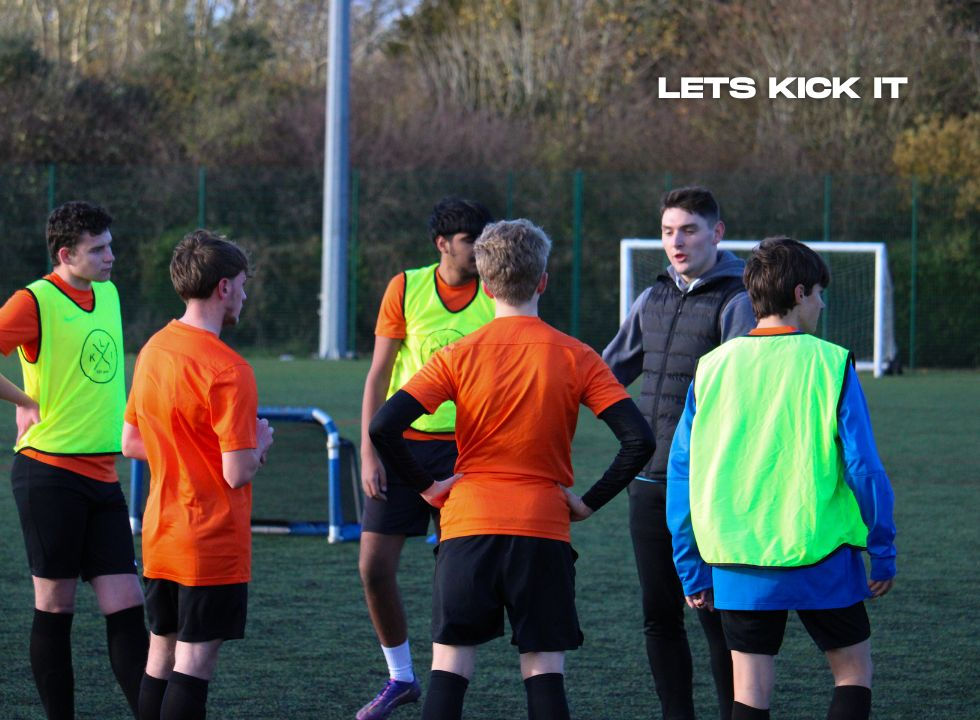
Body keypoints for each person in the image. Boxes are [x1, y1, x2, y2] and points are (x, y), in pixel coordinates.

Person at [369, 219, 656, 720]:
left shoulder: (457, 354)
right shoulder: (577, 355)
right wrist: (587, 502)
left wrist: (430, 488)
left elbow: (383, 426)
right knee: (544, 672)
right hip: (542, 529)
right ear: (543, 280)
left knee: (450, 670)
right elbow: (639, 440)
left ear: (483, 280)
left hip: (467, 528)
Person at [667, 237, 897, 720]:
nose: (822, 302)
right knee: (853, 672)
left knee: (749, 692)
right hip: (823, 553)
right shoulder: (831, 362)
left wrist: (691, 563)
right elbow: (863, 467)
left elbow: (681, 472)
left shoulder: (710, 368)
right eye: (817, 292)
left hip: (738, 559)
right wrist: (882, 546)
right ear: (798, 293)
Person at [602, 186, 755, 720]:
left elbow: (744, 398)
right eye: (668, 231)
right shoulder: (652, 297)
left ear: (717, 232)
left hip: (709, 489)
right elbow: (607, 373)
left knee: (717, 617)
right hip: (648, 483)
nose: (676, 242)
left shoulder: (740, 300)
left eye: (688, 229)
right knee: (658, 616)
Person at [0, 201, 148, 719]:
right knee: (55, 608)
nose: (111, 256)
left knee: (128, 606)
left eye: (110, 245)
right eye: (99, 249)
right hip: (49, 477)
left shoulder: (107, 293)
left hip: (105, 479)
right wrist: (25, 401)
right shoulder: (32, 301)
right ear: (66, 254)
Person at [121, 230, 275, 720]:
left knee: (159, 659)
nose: (246, 295)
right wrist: (262, 444)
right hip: (209, 540)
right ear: (223, 287)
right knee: (192, 666)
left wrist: (188, 456)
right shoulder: (229, 369)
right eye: (243, 284)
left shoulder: (153, 350)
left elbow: (131, 442)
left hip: (161, 534)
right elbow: (237, 472)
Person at [356, 197, 494, 719]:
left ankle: (444, 679)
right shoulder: (407, 287)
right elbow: (377, 375)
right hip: (402, 445)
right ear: (443, 244)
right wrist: (371, 449)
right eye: (469, 241)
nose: (480, 251)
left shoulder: (494, 290)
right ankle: (401, 678)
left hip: (467, 448)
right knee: (373, 567)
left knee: (455, 571)